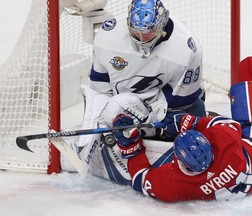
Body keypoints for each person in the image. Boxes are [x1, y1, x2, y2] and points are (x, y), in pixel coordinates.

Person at [109, 56, 252, 202]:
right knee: (251, 66)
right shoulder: (225, 140)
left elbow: (140, 179)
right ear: (210, 146)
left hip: (241, 178)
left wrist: (131, 149)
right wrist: (187, 122)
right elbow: (227, 124)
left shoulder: (175, 185)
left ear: (179, 160)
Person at [75, 0, 206, 170]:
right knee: (111, 104)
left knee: (195, 122)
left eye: (149, 33)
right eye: (136, 33)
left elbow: (182, 101)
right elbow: (99, 86)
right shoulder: (108, 35)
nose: (142, 39)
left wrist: (152, 125)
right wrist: (106, 121)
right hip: (122, 102)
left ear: (162, 24)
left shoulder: (187, 48)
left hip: (164, 105)